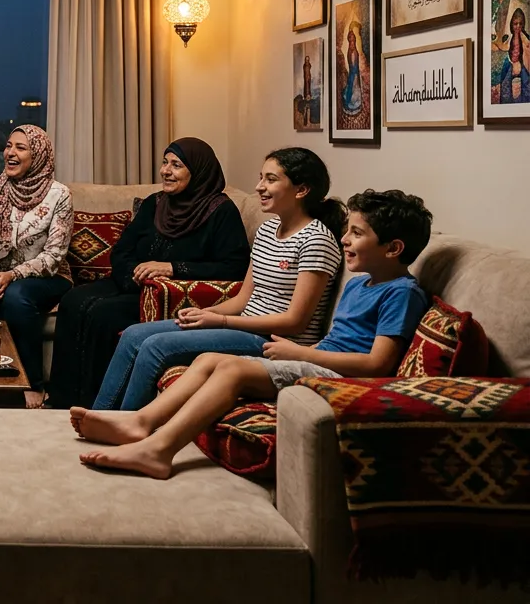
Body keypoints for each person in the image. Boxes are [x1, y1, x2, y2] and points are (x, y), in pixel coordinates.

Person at [75, 189, 432, 479]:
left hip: (342, 380)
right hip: (320, 363)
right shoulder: (359, 284)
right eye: (348, 230)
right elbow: (335, 339)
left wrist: (301, 353)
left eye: (357, 233)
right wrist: (298, 350)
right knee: (208, 359)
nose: (345, 239)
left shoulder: (401, 293)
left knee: (232, 369)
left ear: (393, 248)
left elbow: (378, 364)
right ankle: (140, 422)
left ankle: (158, 450)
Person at [81, 147, 344, 416]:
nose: (259, 187)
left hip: (275, 342)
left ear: (301, 190)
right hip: (245, 328)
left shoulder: (316, 240)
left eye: (271, 179)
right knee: (134, 334)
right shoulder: (267, 230)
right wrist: (205, 314)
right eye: (261, 178)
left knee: (155, 347)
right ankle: (101, 415)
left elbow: (295, 321)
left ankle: (127, 424)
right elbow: (243, 299)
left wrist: (222, 321)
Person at [45, 138, 250, 410]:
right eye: (165, 162)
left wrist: (173, 268)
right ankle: (62, 401)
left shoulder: (221, 211)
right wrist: (132, 276)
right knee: (73, 300)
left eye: (176, 165)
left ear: (198, 171)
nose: (165, 171)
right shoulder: (155, 203)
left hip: (171, 296)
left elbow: (233, 267)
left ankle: (98, 405)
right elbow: (122, 250)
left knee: (103, 315)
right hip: (133, 284)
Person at [0, 125, 72, 409]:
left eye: (20, 148)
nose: (10, 152)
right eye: (9, 145)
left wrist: (12, 275)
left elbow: (54, 256)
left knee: (16, 295)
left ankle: (31, 382)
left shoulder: (59, 194)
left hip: (46, 275)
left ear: (38, 155)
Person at [498, 6, 530, 104]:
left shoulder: (525, 37)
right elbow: (505, 48)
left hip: (522, 63)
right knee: (505, 84)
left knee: (527, 83)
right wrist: (512, 63)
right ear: (511, 24)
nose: (518, 26)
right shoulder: (509, 37)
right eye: (515, 24)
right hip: (510, 62)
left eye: (520, 23)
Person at [341, 24, 363, 115]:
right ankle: (350, 102)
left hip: (354, 72)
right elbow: (353, 65)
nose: (353, 43)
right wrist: (355, 74)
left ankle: (354, 101)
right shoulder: (351, 51)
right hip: (353, 73)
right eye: (352, 41)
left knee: (354, 86)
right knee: (352, 86)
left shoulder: (352, 50)